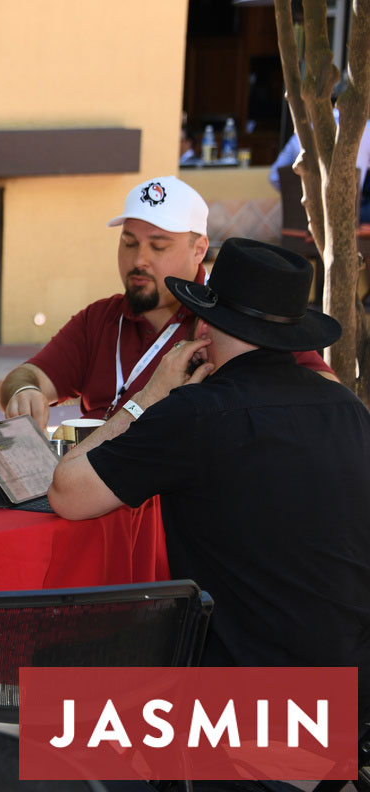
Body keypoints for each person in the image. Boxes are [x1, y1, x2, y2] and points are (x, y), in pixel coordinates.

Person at [48, 238, 370, 719]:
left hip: (242, 702)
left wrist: (149, 397)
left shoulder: (195, 413)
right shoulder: (347, 407)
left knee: (50, 675)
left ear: (205, 325)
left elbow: (66, 492)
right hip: (351, 690)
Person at [0, 175, 335, 430]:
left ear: (199, 250)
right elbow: (27, 375)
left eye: (158, 246)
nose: (139, 259)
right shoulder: (100, 318)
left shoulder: (235, 320)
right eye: (129, 243)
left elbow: (329, 395)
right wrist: (23, 392)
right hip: (91, 491)